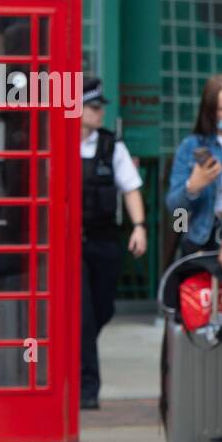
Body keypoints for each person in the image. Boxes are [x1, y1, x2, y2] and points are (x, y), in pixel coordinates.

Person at [80, 77, 146, 410]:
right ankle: (87, 389)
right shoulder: (57, 142)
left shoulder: (111, 146)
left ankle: (78, 368)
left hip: (105, 241)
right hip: (72, 244)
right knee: (84, 316)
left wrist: (139, 226)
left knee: (104, 309)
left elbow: (130, 188)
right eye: (93, 107)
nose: (99, 113)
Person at [165, 72, 222, 259]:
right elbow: (175, 208)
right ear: (212, 114)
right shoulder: (192, 146)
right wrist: (192, 187)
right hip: (203, 237)